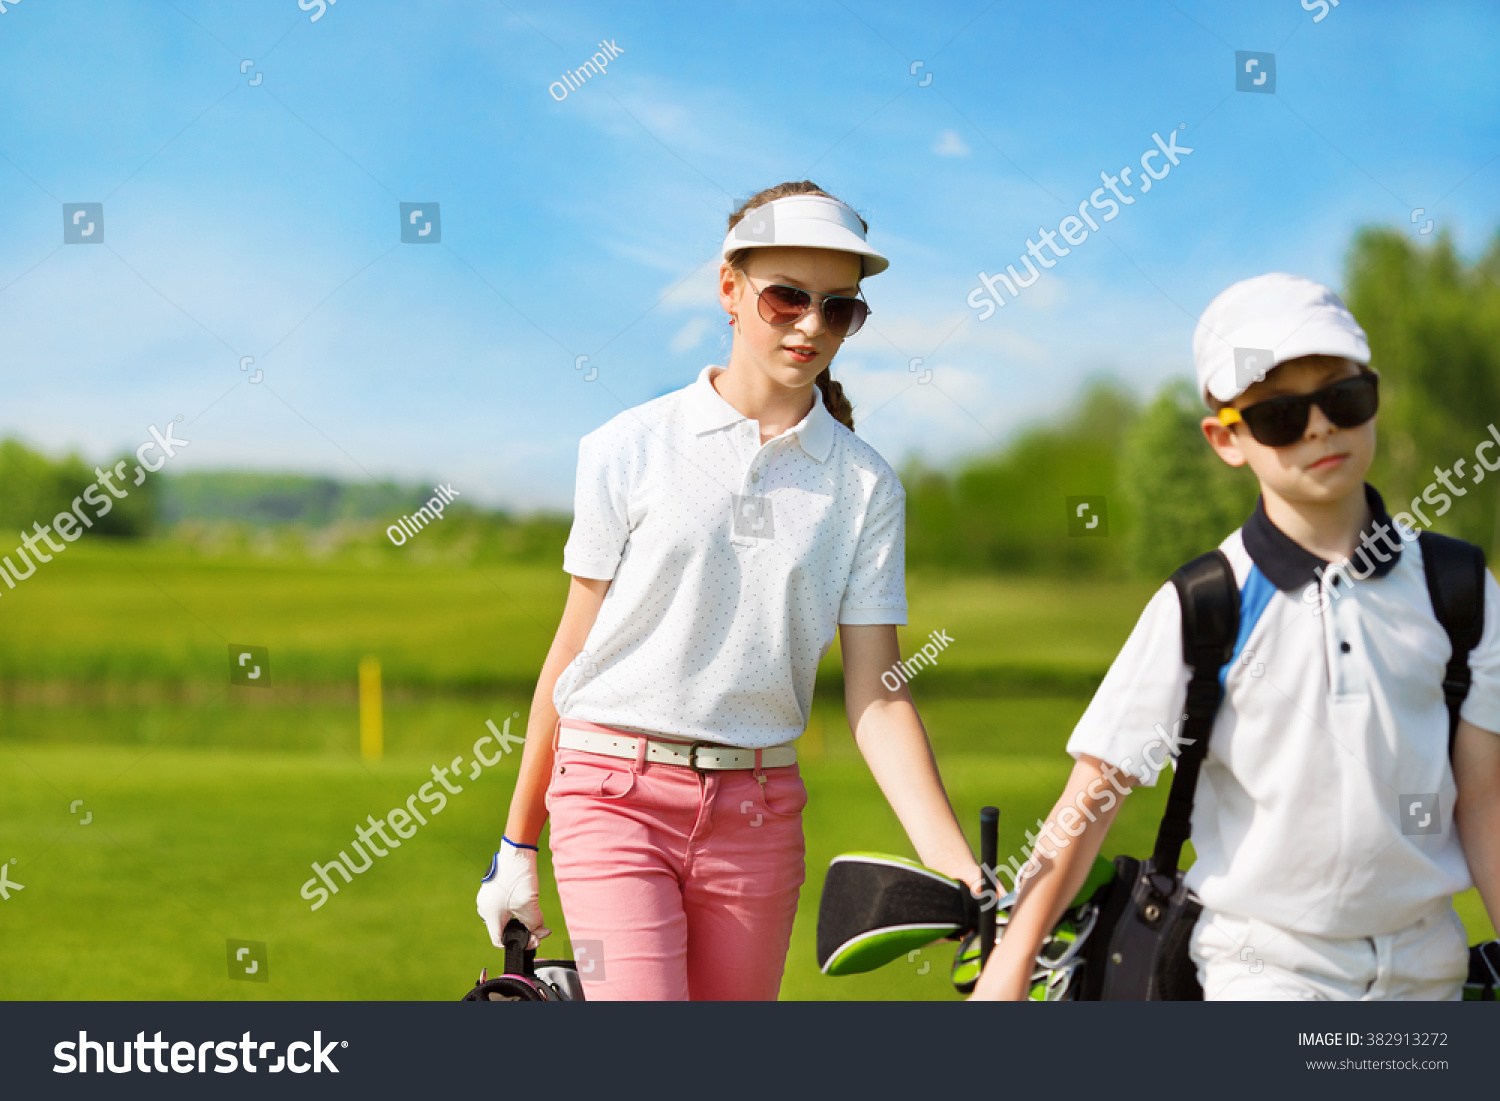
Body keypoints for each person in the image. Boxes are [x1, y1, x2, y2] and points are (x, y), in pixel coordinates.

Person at [475, 181, 983, 1000]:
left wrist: (960, 867)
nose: (811, 325)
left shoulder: (865, 487)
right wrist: (517, 844)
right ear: (729, 289)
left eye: (839, 308)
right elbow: (572, 653)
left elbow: (878, 695)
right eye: (786, 297)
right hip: (612, 794)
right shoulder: (628, 447)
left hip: (759, 813)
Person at [972, 273, 1500, 1000]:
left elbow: (1484, 801)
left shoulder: (1458, 586)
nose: (1319, 427)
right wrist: (1007, 971)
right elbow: (1092, 798)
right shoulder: (1202, 604)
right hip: (1265, 970)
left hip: (1427, 970)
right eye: (1280, 414)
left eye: (1343, 399)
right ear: (1227, 438)